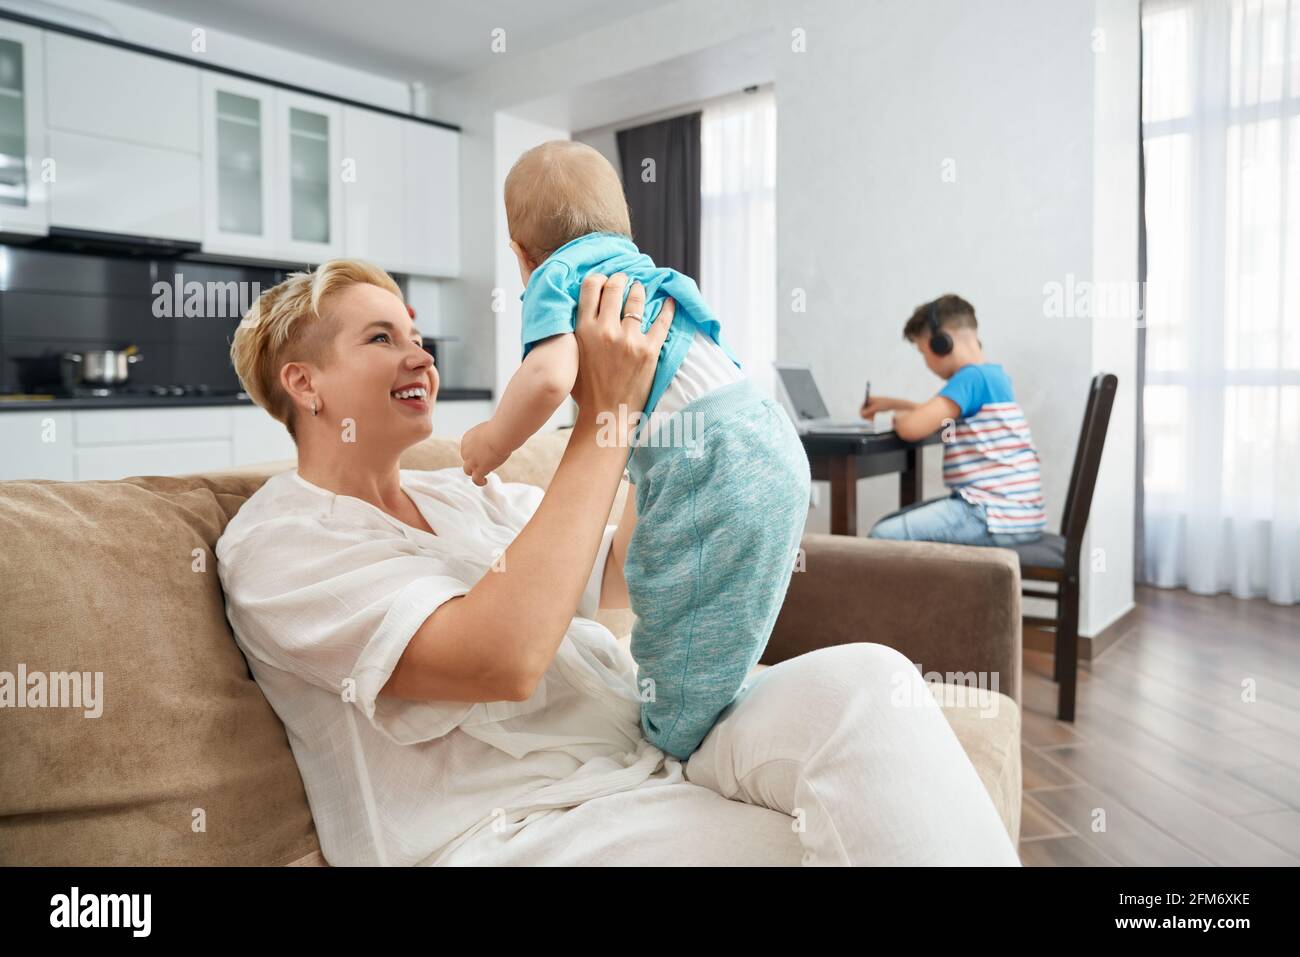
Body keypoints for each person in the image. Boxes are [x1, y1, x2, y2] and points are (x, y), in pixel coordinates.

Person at [215, 259, 1021, 866]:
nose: (421, 356)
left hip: (652, 742)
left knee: (871, 685)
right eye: (382, 337)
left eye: (418, 335)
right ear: (304, 384)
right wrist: (605, 413)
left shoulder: (467, 492)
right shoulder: (279, 543)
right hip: (520, 827)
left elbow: (619, 577)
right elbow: (502, 657)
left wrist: (671, 399)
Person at [458, 140, 812, 761]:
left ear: (520, 252)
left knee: (686, 611)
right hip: (767, 431)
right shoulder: (642, 270)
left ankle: (672, 741)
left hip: (709, 458)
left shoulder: (556, 279)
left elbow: (546, 379)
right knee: (726, 615)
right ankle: (726, 718)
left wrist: (489, 441)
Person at [863, 295, 1046, 547]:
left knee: (881, 536)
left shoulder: (969, 379)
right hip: (1019, 515)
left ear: (942, 342)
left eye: (922, 350)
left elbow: (911, 428)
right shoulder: (993, 376)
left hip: (988, 513)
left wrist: (900, 417)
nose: (925, 361)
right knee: (899, 522)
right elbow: (940, 416)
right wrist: (894, 403)